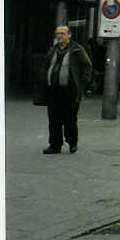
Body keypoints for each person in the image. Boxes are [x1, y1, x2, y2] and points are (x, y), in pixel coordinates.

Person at [43, 25, 92, 154]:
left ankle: (72, 143)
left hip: (70, 91)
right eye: (57, 33)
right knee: (54, 120)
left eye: (62, 33)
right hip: (53, 90)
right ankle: (54, 145)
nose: (59, 36)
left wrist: (82, 84)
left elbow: (87, 67)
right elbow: (46, 65)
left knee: (70, 119)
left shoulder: (77, 50)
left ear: (69, 35)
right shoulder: (53, 50)